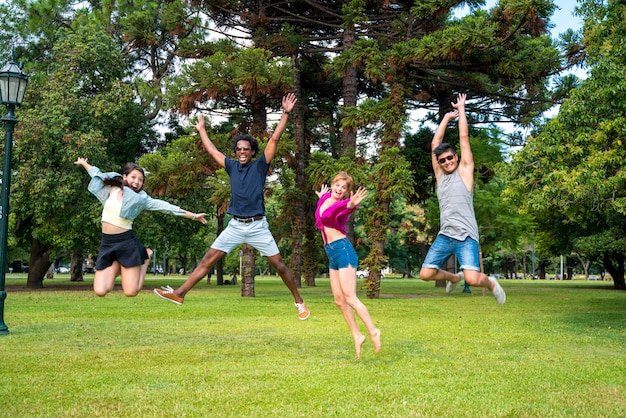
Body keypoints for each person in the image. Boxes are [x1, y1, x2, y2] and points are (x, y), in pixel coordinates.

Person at [154, 93, 310, 320]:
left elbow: (274, 140)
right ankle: (179, 294)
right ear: (235, 152)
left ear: (252, 151)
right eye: (238, 149)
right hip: (236, 225)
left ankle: (299, 302)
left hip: (258, 226)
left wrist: (285, 113)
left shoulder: (260, 166)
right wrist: (202, 131)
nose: (242, 151)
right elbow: (212, 151)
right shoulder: (231, 166)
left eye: (246, 149)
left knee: (279, 265)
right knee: (208, 259)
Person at [418, 93, 506, 304]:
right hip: (445, 235)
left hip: (466, 236)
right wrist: (447, 118)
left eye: (450, 157)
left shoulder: (465, 172)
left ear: (456, 157)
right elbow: (434, 143)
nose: (447, 161)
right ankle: (453, 277)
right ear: (439, 162)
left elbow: (463, 138)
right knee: (425, 274)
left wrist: (462, 110)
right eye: (442, 160)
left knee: (474, 279)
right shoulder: (441, 177)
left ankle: (491, 283)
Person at [75, 158, 207, 297]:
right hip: (107, 243)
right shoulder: (112, 189)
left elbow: (166, 207)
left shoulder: (142, 199)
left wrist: (193, 216)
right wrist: (84, 163)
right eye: (133, 177)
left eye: (140, 180)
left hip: (126, 243)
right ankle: (120, 263)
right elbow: (96, 173)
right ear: (124, 177)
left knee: (131, 292)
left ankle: (145, 258)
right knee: (100, 290)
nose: (136, 182)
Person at [315, 172, 381, 359]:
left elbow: (348, 207)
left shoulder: (342, 204)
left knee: (350, 298)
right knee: (339, 300)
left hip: (343, 250)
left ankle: (373, 331)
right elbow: (322, 210)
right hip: (331, 253)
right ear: (332, 184)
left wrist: (351, 204)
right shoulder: (326, 198)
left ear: (346, 192)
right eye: (337, 185)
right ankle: (357, 335)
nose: (339, 189)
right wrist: (321, 198)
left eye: (343, 188)